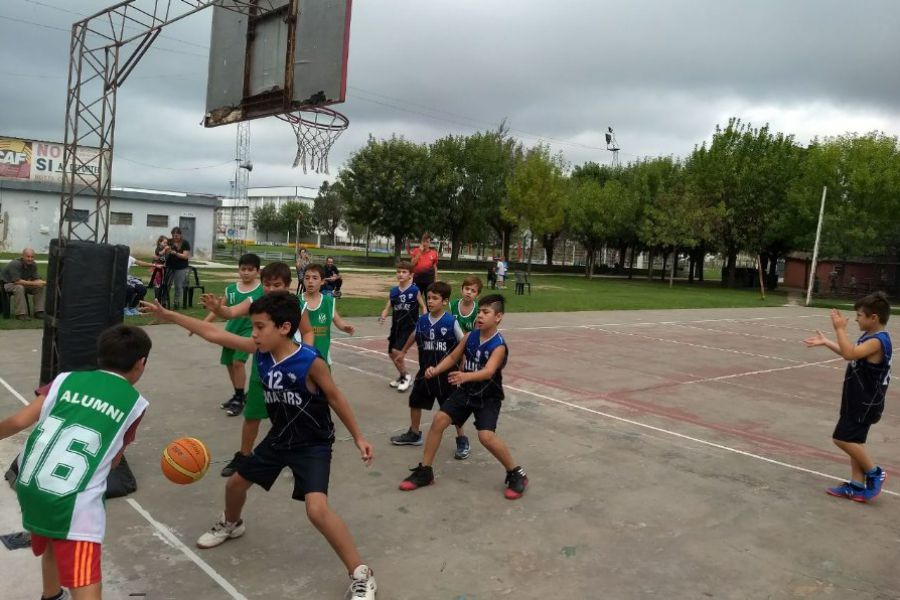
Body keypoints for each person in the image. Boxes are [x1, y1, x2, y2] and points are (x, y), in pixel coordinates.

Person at [140, 293, 377, 599]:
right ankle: (231, 523)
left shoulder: (310, 361)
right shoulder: (260, 351)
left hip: (312, 444)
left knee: (316, 510)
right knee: (235, 485)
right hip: (279, 438)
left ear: (284, 327)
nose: (253, 333)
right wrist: (170, 315)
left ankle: (362, 574)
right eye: (252, 326)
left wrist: (358, 436)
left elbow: (335, 397)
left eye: (260, 326)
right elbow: (214, 333)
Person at [0, 325, 151, 600]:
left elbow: (18, 422)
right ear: (141, 363)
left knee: (51, 544)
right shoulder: (135, 403)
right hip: (71, 504)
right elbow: (114, 460)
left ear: (99, 357)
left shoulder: (63, 380)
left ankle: (52, 594)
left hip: (30, 485)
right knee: (86, 578)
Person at [399, 294, 528, 500]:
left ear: (498, 317)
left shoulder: (499, 345)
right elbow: (453, 356)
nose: (480, 316)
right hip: (466, 391)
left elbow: (488, 371)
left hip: (487, 396)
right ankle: (425, 471)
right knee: (439, 420)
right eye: (479, 312)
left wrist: (464, 375)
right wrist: (436, 368)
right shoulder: (470, 336)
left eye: (486, 312)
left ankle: (516, 472)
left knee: (486, 437)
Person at [198, 262, 314, 477]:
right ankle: (244, 454)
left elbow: (307, 331)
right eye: (267, 284)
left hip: (292, 367)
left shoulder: (296, 304)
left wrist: (307, 354)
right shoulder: (257, 302)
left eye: (277, 284)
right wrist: (217, 308)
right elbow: (231, 311)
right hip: (264, 366)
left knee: (295, 414)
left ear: (288, 286)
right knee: (252, 415)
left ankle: (299, 452)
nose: (271, 289)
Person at [803, 292, 892, 502]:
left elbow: (849, 354)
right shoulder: (871, 338)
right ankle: (857, 484)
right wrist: (827, 342)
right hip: (858, 399)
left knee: (842, 438)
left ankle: (875, 472)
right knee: (855, 441)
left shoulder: (878, 341)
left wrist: (840, 329)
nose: (856, 319)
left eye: (860, 315)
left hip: (865, 401)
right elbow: (850, 351)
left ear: (874, 318)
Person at [391, 281, 471, 460]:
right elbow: (414, 335)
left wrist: (463, 370)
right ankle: (414, 433)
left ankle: (462, 439)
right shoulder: (422, 320)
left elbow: (463, 345)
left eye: (435, 298)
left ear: (445, 301)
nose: (430, 301)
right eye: (428, 298)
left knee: (452, 410)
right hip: (425, 371)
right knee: (415, 401)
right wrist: (403, 351)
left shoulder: (451, 322)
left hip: (446, 375)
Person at [202, 253, 263, 415]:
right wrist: (203, 325)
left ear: (257, 271)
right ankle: (239, 394)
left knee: (238, 362)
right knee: (229, 362)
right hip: (231, 329)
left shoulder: (261, 290)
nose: (246, 272)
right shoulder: (230, 289)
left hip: (248, 330)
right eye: (243, 269)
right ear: (238, 270)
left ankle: (239, 398)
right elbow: (219, 309)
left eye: (250, 269)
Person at [379, 261, 426, 392]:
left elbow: (423, 306)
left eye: (404, 272)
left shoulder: (414, 290)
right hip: (396, 327)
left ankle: (406, 377)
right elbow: (387, 307)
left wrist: (424, 319)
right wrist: (383, 315)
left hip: (410, 327)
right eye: (398, 272)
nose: (400, 274)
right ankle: (402, 375)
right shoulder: (393, 291)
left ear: (411, 275)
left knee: (396, 352)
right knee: (391, 353)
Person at [298, 264, 355, 366]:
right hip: (301, 356)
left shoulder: (328, 301)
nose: (310, 281)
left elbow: (337, 319)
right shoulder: (296, 301)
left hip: (322, 356)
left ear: (322, 281)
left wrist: (344, 327)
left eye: (315, 278)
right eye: (307, 278)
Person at [2, 247, 46, 320]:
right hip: (6, 284)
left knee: (39, 287)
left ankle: (39, 312)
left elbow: (36, 279)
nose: (30, 259)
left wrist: (46, 282)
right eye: (28, 257)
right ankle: (21, 314)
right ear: (23, 256)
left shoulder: (33, 265)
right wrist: (35, 283)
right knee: (19, 287)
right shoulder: (15, 264)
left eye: (32, 257)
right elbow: (17, 281)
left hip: (21, 283)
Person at [163, 227, 191, 309]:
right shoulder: (169, 242)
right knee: (166, 284)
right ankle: (164, 302)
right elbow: (165, 253)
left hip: (180, 267)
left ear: (180, 235)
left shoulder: (185, 243)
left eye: (177, 235)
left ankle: (176, 303)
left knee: (178, 286)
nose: (175, 237)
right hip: (170, 266)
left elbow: (185, 256)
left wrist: (176, 253)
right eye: (173, 235)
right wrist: (167, 251)